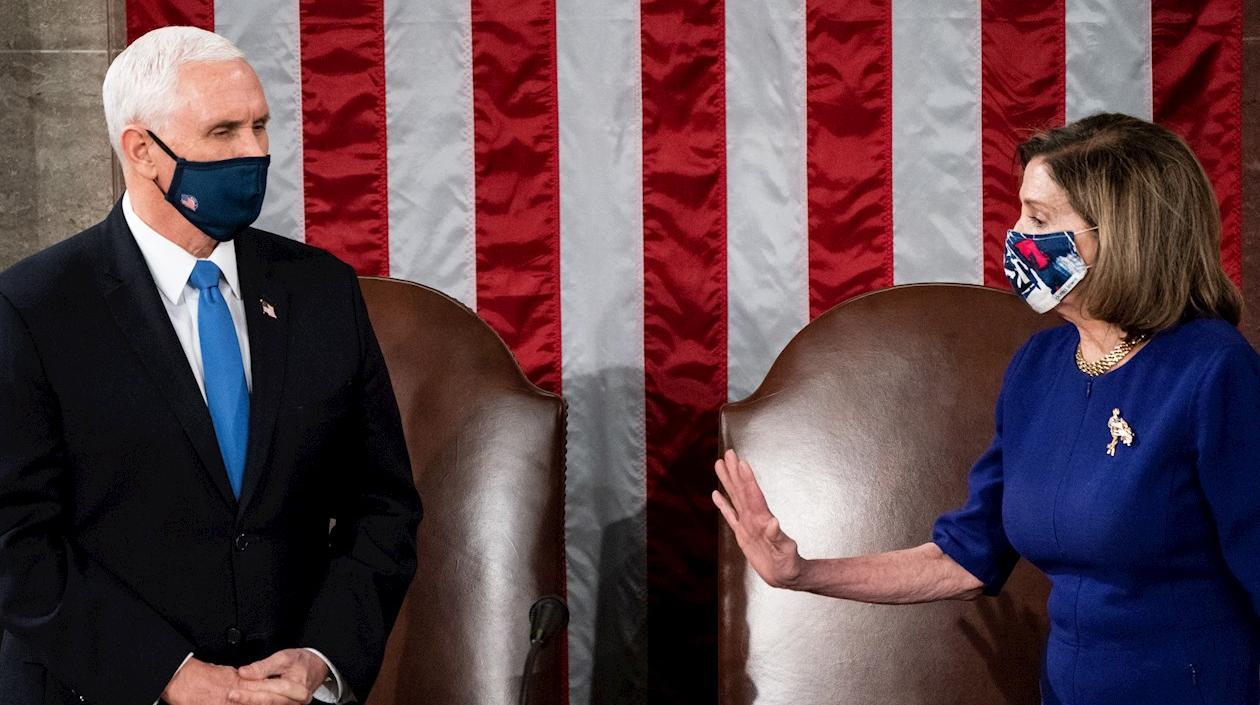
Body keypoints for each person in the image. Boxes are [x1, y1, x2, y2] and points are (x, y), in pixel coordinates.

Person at [713, 113, 1260, 704]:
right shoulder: (1038, 367)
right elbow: (966, 557)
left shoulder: (1213, 369)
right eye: (1021, 212)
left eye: (1039, 219)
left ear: (1123, 236)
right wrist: (803, 573)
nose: (1016, 234)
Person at [0, 27, 421, 705]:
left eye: (259, 125)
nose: (254, 152)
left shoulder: (321, 291)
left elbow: (383, 506)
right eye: (223, 131)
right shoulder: (33, 308)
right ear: (142, 150)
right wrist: (166, 674)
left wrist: (323, 656)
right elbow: (16, 542)